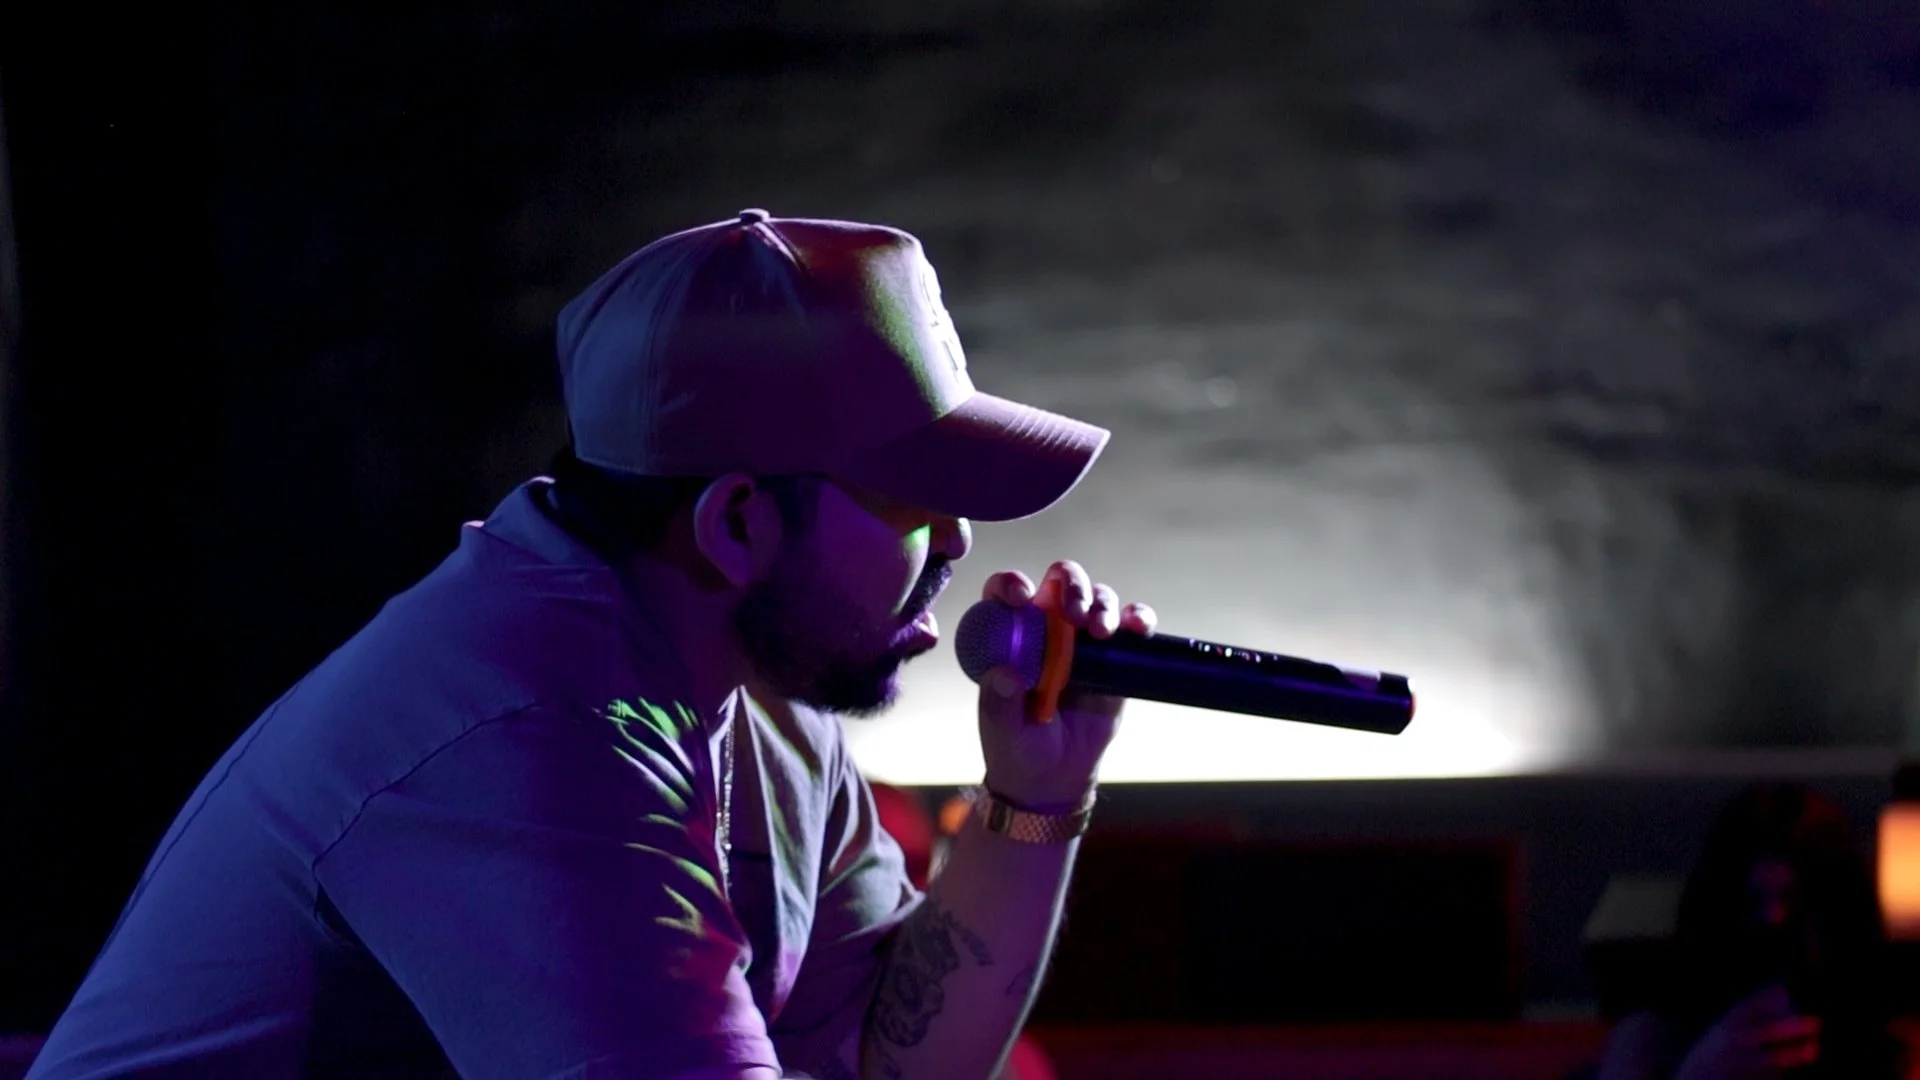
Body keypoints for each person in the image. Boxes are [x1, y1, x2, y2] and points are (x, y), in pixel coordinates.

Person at [25, 209, 1157, 1080]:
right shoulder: (527, 737)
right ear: (738, 523)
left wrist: (1036, 792)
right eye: (915, 498)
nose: (957, 539)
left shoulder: (759, 686)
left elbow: (882, 1056)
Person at [1596, 783, 1906, 1080]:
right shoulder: (1649, 1042)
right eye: (1752, 904)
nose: (1773, 923)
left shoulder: (1870, 1044)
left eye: (1796, 903)